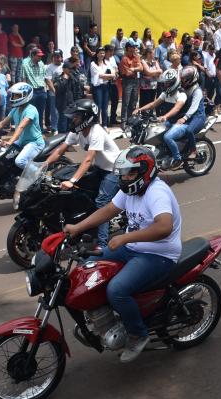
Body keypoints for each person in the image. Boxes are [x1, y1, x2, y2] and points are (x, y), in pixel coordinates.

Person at [63, 146, 181, 363]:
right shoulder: (130, 190)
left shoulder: (157, 192)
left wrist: (125, 238)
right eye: (123, 173)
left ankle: (138, 334)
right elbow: (109, 210)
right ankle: (103, 318)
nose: (125, 178)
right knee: (88, 266)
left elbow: (164, 227)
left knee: (117, 290)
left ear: (145, 171)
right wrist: (77, 227)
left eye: (130, 173)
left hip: (158, 254)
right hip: (133, 248)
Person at [44, 99, 121, 247]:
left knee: (102, 203)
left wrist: (72, 180)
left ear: (87, 117)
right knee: (80, 192)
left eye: (76, 116)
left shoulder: (96, 132)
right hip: (100, 167)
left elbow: (88, 159)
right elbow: (60, 151)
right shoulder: (77, 131)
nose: (73, 119)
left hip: (114, 170)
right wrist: (44, 165)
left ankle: (102, 244)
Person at [0, 82, 45, 169]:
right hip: (22, 141)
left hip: (34, 143)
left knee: (20, 161)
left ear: (25, 95)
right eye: (13, 96)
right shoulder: (15, 110)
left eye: (17, 96)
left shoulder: (31, 110)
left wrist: (10, 142)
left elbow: (21, 126)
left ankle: (39, 173)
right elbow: (2, 123)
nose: (14, 98)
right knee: (3, 155)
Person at [133, 69, 187, 168]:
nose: (165, 85)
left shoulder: (181, 94)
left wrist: (165, 116)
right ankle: (162, 155)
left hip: (179, 123)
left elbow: (176, 109)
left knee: (167, 137)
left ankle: (178, 159)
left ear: (174, 82)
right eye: (165, 83)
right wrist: (140, 109)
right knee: (154, 134)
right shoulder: (166, 93)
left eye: (168, 83)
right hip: (169, 121)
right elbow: (153, 104)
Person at [90, 47, 116, 128]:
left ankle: (104, 125)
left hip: (106, 86)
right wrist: (109, 76)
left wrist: (107, 76)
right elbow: (100, 75)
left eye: (103, 53)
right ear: (97, 54)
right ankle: (96, 124)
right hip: (97, 87)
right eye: (100, 53)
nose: (102, 54)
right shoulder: (93, 64)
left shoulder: (107, 63)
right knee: (98, 106)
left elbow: (113, 74)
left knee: (105, 107)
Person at [21, 48, 47, 130]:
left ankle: (40, 129)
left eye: (41, 56)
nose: (40, 58)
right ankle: (31, 130)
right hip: (32, 91)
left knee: (41, 112)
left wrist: (45, 89)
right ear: (32, 55)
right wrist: (25, 93)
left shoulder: (41, 63)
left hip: (41, 90)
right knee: (31, 112)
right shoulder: (25, 65)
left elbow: (44, 77)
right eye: (38, 56)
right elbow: (24, 79)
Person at [119, 42, 142, 128]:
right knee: (126, 102)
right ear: (128, 48)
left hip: (135, 80)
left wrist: (133, 69)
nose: (134, 49)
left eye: (134, 47)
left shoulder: (136, 57)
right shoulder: (124, 59)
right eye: (132, 47)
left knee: (134, 101)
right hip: (127, 81)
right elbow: (127, 73)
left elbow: (141, 68)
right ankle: (123, 121)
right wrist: (135, 69)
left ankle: (130, 120)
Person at [54, 60, 82, 133]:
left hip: (71, 103)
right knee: (63, 121)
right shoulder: (58, 79)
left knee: (71, 121)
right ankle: (61, 135)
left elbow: (77, 88)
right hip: (62, 103)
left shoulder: (73, 78)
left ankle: (69, 135)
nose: (70, 70)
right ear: (64, 69)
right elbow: (60, 89)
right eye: (69, 69)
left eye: (71, 69)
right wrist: (65, 79)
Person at [45, 49, 63, 135]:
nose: (56, 58)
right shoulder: (49, 67)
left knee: (63, 111)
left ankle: (62, 127)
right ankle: (54, 128)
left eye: (58, 57)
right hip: (53, 93)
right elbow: (48, 81)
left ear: (61, 58)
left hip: (63, 94)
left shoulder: (64, 66)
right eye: (55, 57)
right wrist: (55, 91)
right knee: (54, 111)